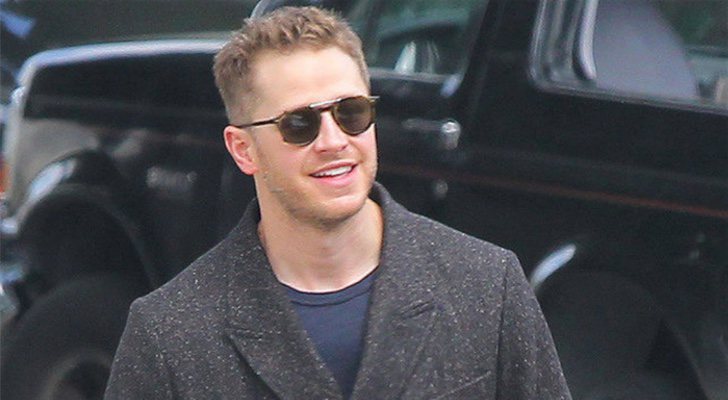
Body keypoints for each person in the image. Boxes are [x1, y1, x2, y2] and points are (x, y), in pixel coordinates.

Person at [105, 6, 572, 400]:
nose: (333, 141)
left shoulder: (488, 286)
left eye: (352, 113)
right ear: (243, 150)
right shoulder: (169, 334)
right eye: (299, 124)